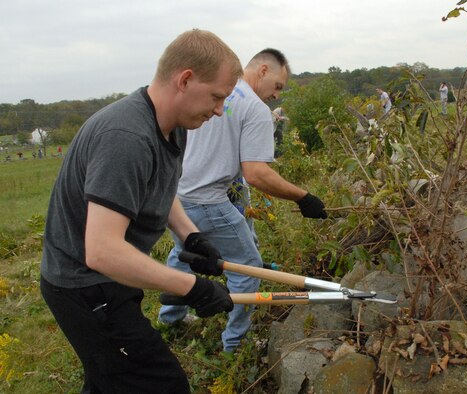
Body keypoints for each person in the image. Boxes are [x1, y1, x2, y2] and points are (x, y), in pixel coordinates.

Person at [39, 29, 244, 393]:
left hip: (108, 279)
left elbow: (160, 189)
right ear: (185, 79)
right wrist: (191, 286)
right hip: (85, 286)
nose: (217, 110)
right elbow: (102, 250)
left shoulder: (173, 126)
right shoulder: (126, 137)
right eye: (216, 97)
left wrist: (189, 234)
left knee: (111, 381)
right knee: (162, 385)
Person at [158, 48, 328, 353]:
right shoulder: (254, 108)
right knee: (246, 266)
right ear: (262, 70)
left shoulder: (211, 91)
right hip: (208, 199)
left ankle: (170, 320)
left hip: (177, 197)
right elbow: (256, 173)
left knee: (185, 253)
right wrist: (304, 197)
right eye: (277, 86)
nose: (277, 96)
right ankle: (235, 345)